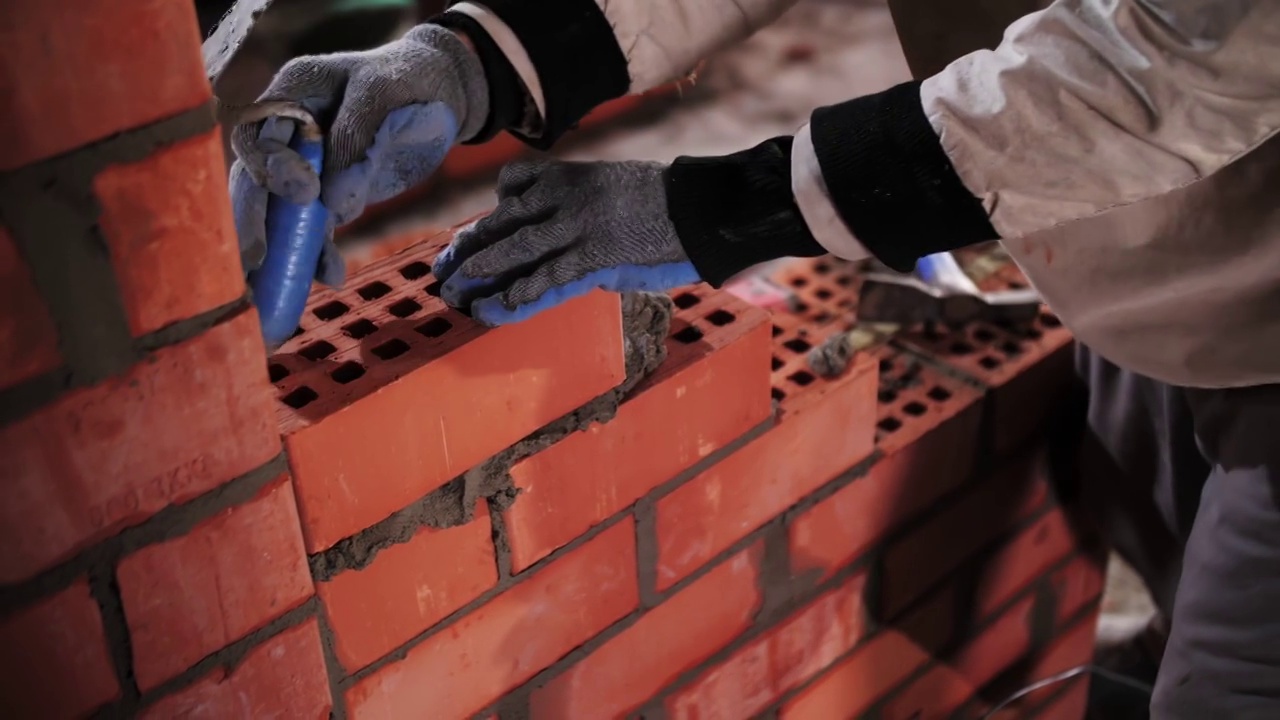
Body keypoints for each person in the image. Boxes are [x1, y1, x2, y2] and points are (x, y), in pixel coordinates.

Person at [229, 0, 1280, 715]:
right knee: (1155, 521)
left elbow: (1166, 65)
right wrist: (477, 57)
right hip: (1150, 267)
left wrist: (717, 210)